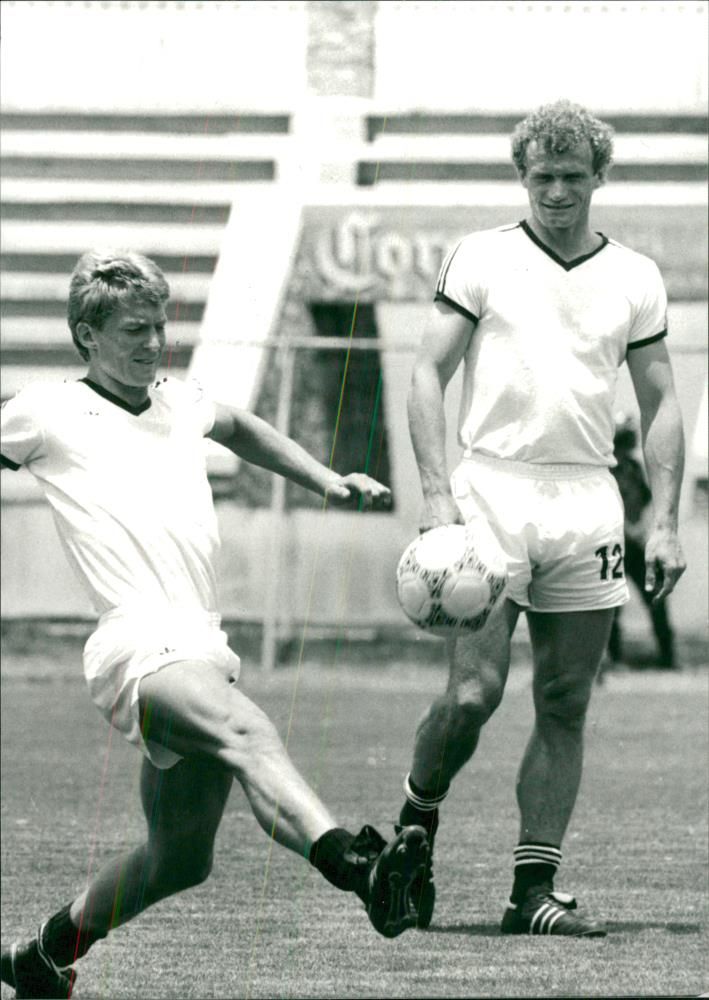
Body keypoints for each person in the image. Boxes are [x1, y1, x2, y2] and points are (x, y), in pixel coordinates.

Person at [0, 250, 429, 1000]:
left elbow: (239, 426)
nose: (152, 342)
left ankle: (40, 954)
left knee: (179, 857)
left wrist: (326, 479)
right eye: (134, 329)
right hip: (135, 640)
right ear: (85, 335)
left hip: (199, 641)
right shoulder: (45, 410)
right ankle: (357, 867)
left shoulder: (179, 399)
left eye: (160, 326)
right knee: (248, 732)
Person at [397, 100, 686, 937]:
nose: (555, 190)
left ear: (599, 176)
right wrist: (434, 493)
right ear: (522, 177)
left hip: (587, 499)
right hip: (490, 490)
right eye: (540, 176)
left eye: (570, 176)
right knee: (475, 694)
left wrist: (664, 519)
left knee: (564, 699)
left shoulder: (633, 275)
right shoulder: (481, 256)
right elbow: (426, 373)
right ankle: (416, 827)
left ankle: (531, 891)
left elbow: (663, 400)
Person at [607, 417, 677, 669]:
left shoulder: (634, 467)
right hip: (615, 545)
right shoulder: (607, 470)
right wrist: (628, 527)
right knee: (612, 604)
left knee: (656, 594)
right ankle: (613, 658)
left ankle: (668, 657)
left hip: (637, 546)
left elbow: (647, 500)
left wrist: (646, 528)